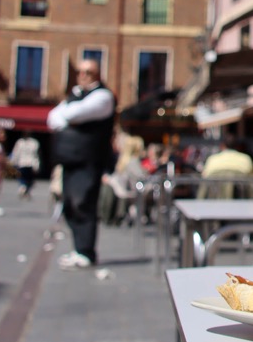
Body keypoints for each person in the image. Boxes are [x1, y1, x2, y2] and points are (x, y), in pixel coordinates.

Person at [48, 59, 117, 270]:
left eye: (89, 71)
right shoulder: (76, 94)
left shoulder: (103, 96)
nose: (84, 75)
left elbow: (70, 114)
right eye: (80, 71)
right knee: (70, 204)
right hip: (71, 160)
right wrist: (68, 118)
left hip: (89, 160)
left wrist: (68, 118)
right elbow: (53, 118)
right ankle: (78, 249)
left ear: (97, 74)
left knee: (83, 203)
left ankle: (86, 251)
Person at [100, 133, 148, 226]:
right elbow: (141, 177)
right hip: (134, 189)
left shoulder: (123, 159)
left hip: (125, 189)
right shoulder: (133, 161)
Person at [9, 132, 41, 200]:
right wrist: (37, 164)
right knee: (29, 178)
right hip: (31, 163)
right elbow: (36, 155)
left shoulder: (20, 142)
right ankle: (26, 189)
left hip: (22, 163)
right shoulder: (34, 143)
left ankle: (23, 187)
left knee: (22, 177)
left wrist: (13, 162)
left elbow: (16, 153)